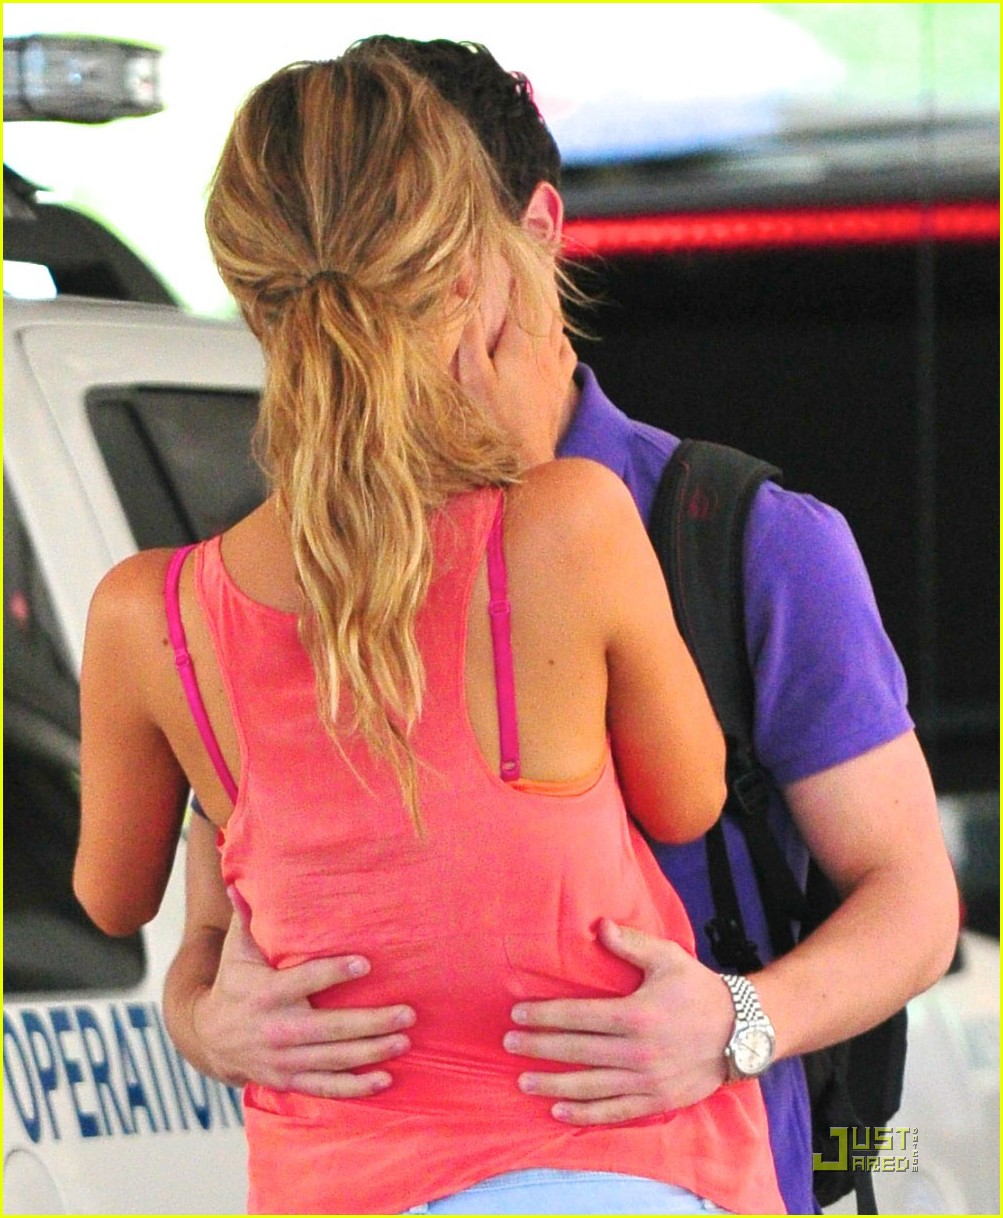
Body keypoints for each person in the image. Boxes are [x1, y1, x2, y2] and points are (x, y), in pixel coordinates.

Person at [159, 37, 960, 1215]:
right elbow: (207, 923)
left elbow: (913, 899)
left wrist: (736, 1020)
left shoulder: (741, 536)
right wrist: (206, 1021)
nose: (382, 308)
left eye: (420, 258)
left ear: (532, 232)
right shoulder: (277, 573)